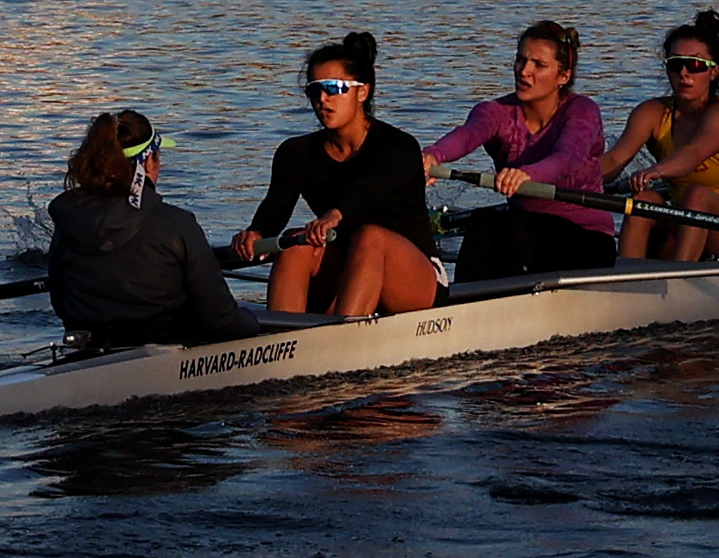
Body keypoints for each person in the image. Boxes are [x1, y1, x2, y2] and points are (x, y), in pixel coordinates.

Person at [233, 30, 441, 316]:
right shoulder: (295, 153)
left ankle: (342, 338)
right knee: (296, 241)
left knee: (370, 237)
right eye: (314, 90)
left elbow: (368, 191)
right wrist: (254, 234)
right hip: (348, 267)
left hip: (414, 277)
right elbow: (274, 211)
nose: (322, 99)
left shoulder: (399, 147)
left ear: (363, 92)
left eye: (333, 88)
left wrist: (335, 215)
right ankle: (280, 339)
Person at [43, 109, 259, 349]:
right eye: (158, 156)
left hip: (90, 349)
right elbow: (222, 321)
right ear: (148, 162)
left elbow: (61, 304)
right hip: (166, 353)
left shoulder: (69, 224)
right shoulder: (177, 224)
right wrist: (253, 322)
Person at [423, 21, 619, 282]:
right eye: (520, 60)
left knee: (515, 227)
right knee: (483, 221)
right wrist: (434, 155)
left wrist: (527, 175)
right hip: (525, 237)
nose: (524, 71)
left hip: (587, 238)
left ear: (564, 76)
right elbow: (468, 134)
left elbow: (567, 159)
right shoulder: (495, 112)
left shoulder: (582, 111)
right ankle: (459, 302)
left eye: (539, 65)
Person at [602, 11, 719, 261]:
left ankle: (679, 282)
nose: (684, 73)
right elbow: (613, 161)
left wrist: (656, 171)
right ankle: (624, 278)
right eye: (675, 64)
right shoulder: (652, 112)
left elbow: (693, 153)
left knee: (697, 194)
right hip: (686, 224)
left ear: (714, 72)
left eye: (694, 65)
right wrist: (560, 177)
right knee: (644, 199)